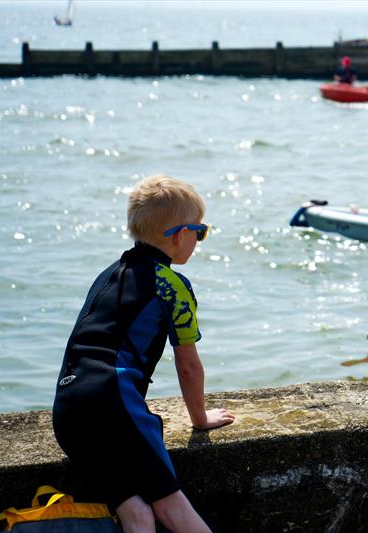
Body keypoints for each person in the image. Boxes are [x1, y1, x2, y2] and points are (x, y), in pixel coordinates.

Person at [52, 175, 235, 533]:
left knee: (136, 512)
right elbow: (188, 367)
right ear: (181, 235)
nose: (198, 241)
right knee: (172, 506)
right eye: (200, 231)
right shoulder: (172, 286)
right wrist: (200, 419)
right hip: (113, 403)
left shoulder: (107, 276)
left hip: (68, 410)